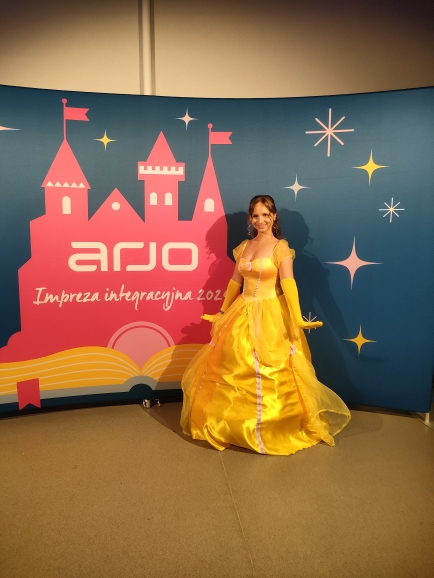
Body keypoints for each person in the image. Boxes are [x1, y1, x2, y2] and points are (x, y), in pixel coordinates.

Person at [180, 195, 350, 455]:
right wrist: (222, 311)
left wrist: (297, 317)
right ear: (251, 219)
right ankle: (232, 425)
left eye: (265, 215)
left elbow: (288, 283)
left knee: (271, 368)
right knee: (233, 364)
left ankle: (270, 428)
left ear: (274, 216)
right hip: (242, 312)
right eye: (255, 216)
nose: (260, 220)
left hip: (270, 313)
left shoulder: (281, 248)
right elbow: (235, 282)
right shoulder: (244, 247)